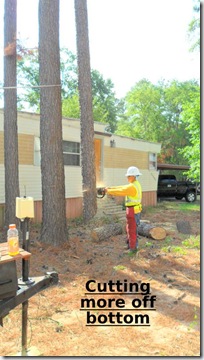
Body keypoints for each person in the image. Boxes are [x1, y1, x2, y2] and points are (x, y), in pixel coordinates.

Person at [105, 166, 142, 251]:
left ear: (133, 176)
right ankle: (130, 245)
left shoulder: (132, 187)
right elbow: (121, 187)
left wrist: (108, 191)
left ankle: (132, 249)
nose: (127, 177)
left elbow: (120, 191)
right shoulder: (133, 185)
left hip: (133, 210)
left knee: (132, 229)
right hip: (132, 209)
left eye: (129, 176)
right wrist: (109, 188)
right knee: (129, 228)